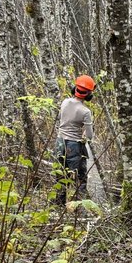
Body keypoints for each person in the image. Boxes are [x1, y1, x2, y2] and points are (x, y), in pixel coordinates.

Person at [55, 75, 95, 204]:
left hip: (60, 142)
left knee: (61, 176)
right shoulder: (85, 111)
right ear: (89, 95)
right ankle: (82, 207)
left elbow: (61, 118)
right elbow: (89, 136)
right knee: (80, 177)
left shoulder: (65, 102)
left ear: (74, 89)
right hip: (74, 145)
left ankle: (59, 204)